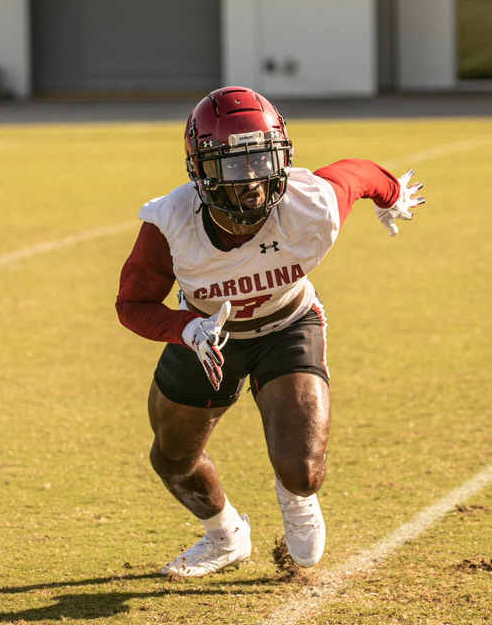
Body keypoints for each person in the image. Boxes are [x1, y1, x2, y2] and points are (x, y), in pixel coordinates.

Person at [115, 86, 425, 577]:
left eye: (262, 160)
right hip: (208, 338)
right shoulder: (171, 222)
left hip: (287, 325)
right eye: (234, 166)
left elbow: (361, 174)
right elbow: (132, 304)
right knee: (173, 459)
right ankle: (225, 536)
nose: (254, 181)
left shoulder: (311, 204)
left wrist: (392, 194)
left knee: (303, 472)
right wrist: (186, 328)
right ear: (201, 171)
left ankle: (296, 498)